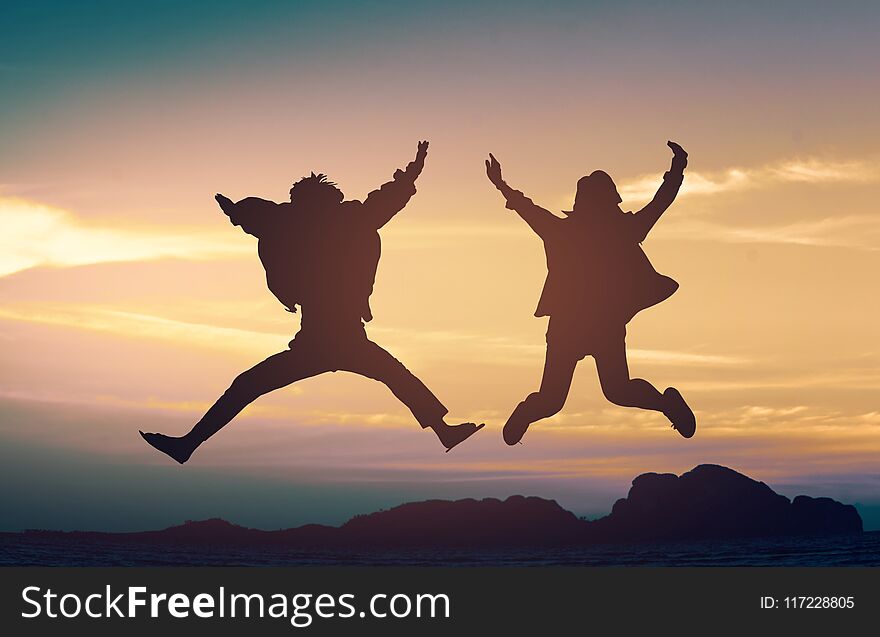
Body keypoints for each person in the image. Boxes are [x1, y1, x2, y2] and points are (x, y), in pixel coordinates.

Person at [141, 141, 483, 463]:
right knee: (393, 375)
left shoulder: (320, 223)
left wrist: (237, 211)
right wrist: (411, 174)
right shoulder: (334, 221)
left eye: (298, 202)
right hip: (330, 339)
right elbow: (271, 216)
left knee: (251, 385)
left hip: (327, 340)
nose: (294, 208)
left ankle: (188, 445)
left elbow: (267, 217)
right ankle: (443, 431)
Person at [485, 141, 696, 445]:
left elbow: (527, 208)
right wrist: (676, 169)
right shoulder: (619, 229)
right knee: (594, 393)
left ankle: (667, 405)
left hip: (587, 324)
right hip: (587, 324)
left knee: (573, 396)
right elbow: (659, 203)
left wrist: (502, 185)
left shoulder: (570, 230)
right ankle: (665, 405)